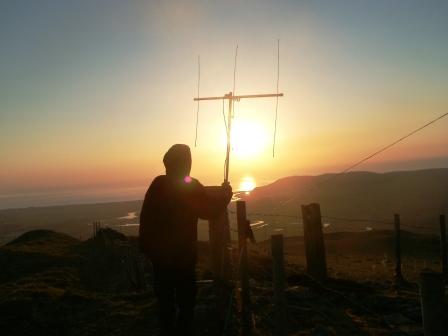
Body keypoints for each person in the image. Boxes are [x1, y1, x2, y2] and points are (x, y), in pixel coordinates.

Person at [139, 144, 232, 335]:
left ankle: (167, 330)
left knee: (165, 301)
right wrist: (226, 195)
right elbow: (209, 210)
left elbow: (145, 218)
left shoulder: (157, 184)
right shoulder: (188, 185)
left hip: (160, 258)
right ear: (187, 163)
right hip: (183, 257)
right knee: (186, 301)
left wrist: (148, 249)